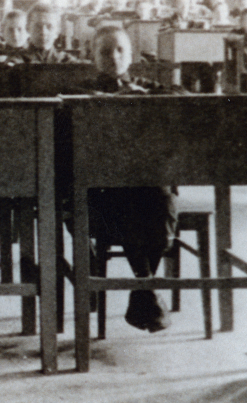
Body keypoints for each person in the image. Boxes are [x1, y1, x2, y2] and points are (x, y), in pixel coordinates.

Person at [73, 25, 181, 333]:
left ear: (131, 56)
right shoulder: (84, 91)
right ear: (92, 57)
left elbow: (182, 95)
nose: (113, 57)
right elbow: (71, 108)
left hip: (148, 188)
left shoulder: (144, 85)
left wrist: (145, 97)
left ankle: (142, 292)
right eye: (105, 51)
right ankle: (146, 292)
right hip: (102, 192)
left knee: (162, 203)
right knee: (131, 206)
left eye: (120, 50)